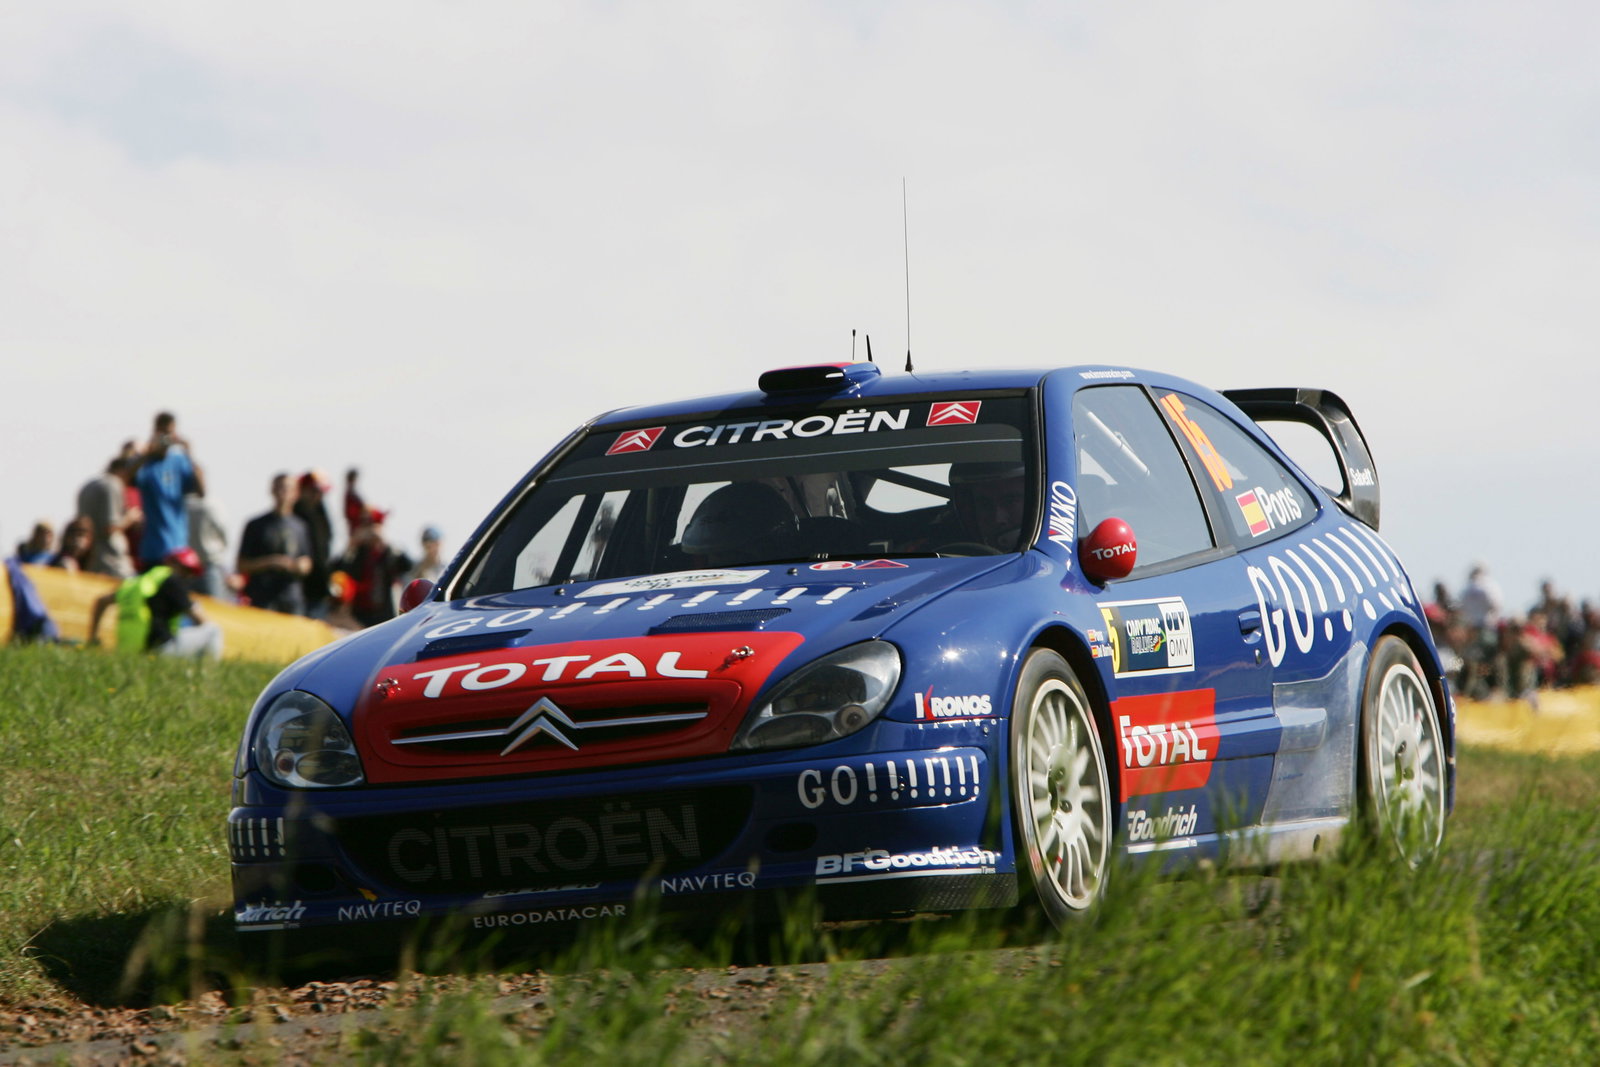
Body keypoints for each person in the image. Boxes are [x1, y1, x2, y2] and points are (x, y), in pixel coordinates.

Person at [88, 547, 222, 659]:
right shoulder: (172, 581)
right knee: (213, 631)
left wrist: (93, 637)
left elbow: (101, 601)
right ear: (171, 563)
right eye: (186, 570)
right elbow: (202, 620)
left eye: (190, 573)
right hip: (160, 649)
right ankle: (210, 676)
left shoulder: (138, 582)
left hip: (132, 651)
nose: (187, 576)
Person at [133, 412, 205, 568]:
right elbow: (126, 479)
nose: (166, 438)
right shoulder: (145, 462)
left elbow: (201, 492)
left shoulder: (179, 461)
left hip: (178, 548)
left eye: (169, 433)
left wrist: (189, 452)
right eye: (162, 433)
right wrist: (147, 453)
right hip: (152, 548)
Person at [237, 473, 313, 615]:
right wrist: (271, 563)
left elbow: (307, 562)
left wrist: (298, 566)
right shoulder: (256, 525)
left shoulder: (301, 526)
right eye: (279, 488)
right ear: (272, 490)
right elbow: (241, 565)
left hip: (291, 599)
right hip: (262, 598)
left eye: (287, 488)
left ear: (296, 493)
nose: (282, 493)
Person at [333, 509, 414, 628]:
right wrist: (351, 545)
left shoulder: (389, 553)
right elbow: (338, 569)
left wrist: (386, 542)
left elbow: (407, 566)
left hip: (385, 613)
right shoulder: (358, 553)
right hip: (359, 615)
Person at [76, 454, 141, 578]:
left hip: (91, 561)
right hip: (111, 563)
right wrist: (130, 518)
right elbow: (110, 527)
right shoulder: (112, 484)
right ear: (123, 470)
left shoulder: (88, 485)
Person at [293, 470, 335, 618]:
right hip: (299, 590)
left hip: (318, 590)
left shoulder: (321, 515)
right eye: (314, 491)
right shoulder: (294, 515)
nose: (318, 496)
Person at [186, 484, 233, 601]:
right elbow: (224, 534)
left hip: (193, 566)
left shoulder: (180, 505)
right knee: (215, 610)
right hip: (208, 564)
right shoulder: (213, 504)